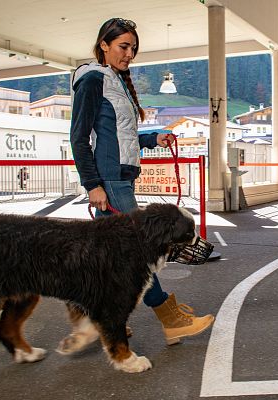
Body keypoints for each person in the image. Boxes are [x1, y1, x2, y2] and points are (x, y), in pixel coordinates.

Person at [69, 17, 214, 346]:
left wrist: (153, 138)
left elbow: (122, 134)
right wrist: (93, 184)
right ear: (104, 45)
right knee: (140, 254)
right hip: (110, 181)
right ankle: (171, 319)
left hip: (121, 178)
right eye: (123, 46)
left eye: (133, 48)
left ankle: (94, 318)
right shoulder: (92, 79)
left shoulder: (114, 80)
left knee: (111, 257)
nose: (129, 53)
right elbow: (79, 138)